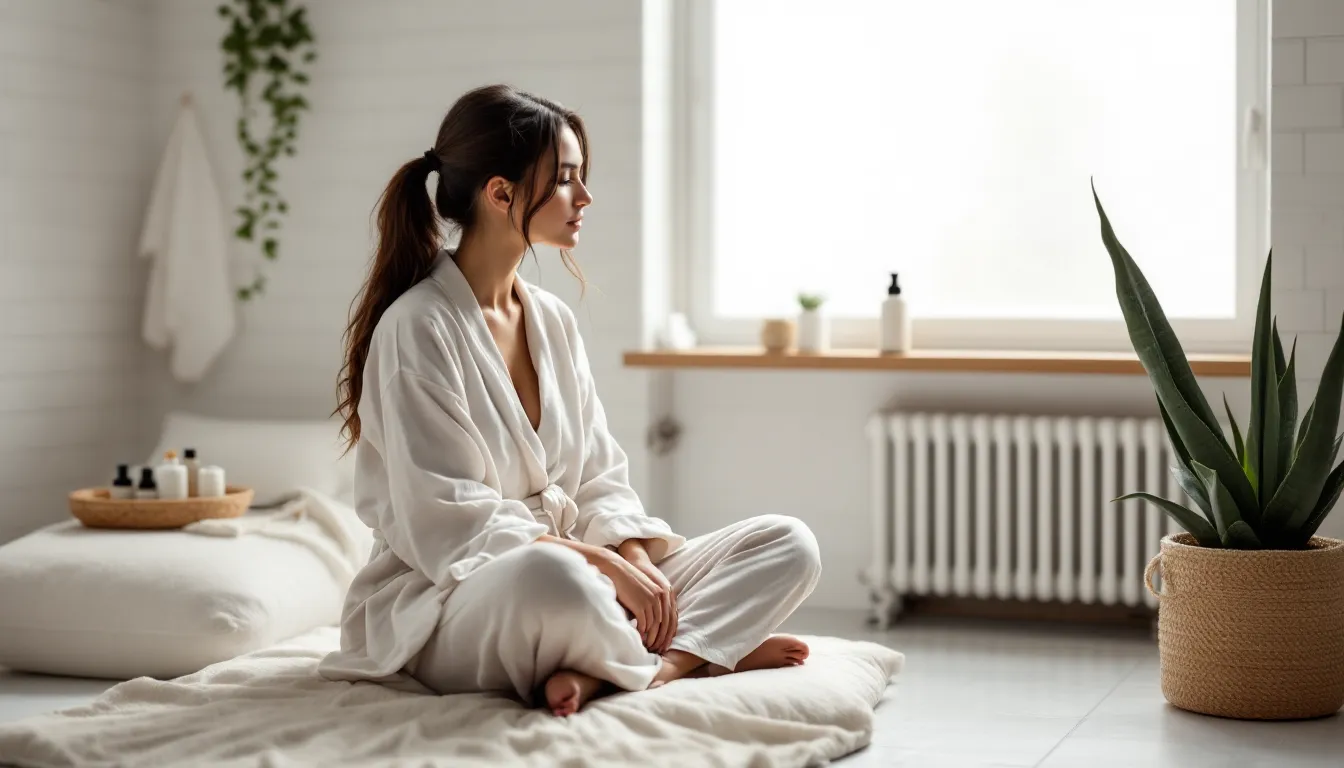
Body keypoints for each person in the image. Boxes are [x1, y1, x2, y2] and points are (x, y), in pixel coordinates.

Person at [320, 84, 822, 717]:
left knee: (788, 542)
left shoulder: (551, 320)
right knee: (553, 582)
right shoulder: (416, 328)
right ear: (500, 194)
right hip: (451, 602)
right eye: (564, 181)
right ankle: (702, 652)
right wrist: (599, 567)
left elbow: (598, 479)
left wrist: (639, 567)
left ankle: (652, 661)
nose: (584, 198)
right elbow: (449, 523)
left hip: (581, 582)